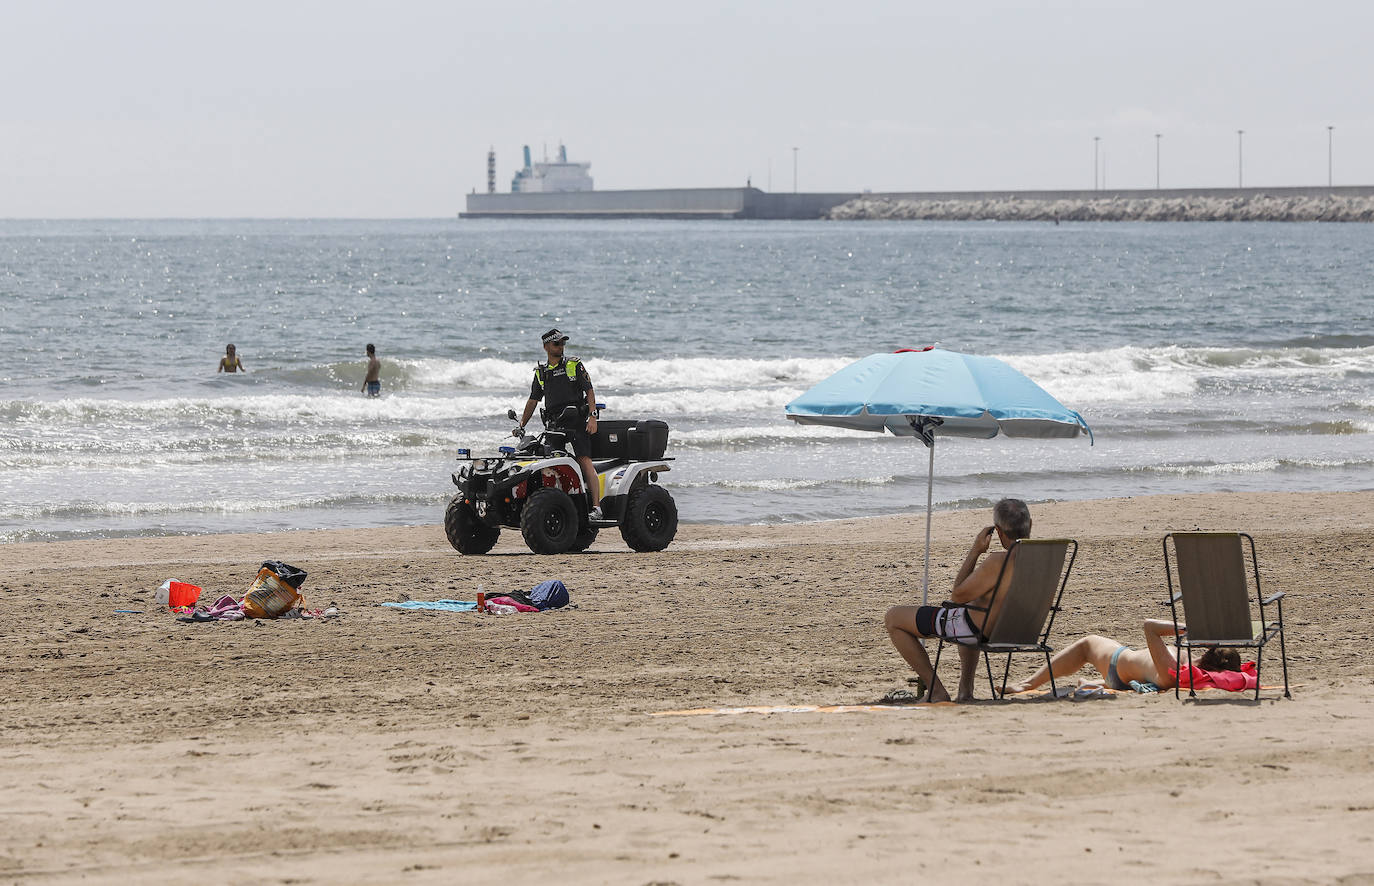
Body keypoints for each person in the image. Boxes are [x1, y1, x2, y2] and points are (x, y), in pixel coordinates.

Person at [883, 498, 1033, 703]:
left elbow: (958, 595)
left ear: (998, 531)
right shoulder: (1045, 559)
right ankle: (965, 691)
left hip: (981, 632)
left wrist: (975, 551)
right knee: (973, 607)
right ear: (1030, 524)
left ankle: (936, 689)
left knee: (894, 618)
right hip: (1023, 631)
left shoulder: (998, 562)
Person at [1004, 619, 1242, 694]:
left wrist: (1191, 629)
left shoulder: (1174, 668)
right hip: (1126, 680)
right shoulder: (1182, 675)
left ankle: (1028, 683)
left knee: (1087, 643)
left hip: (1116, 662)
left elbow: (1150, 627)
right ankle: (1090, 684)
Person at [515, 328, 602, 519]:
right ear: (546, 347)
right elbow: (533, 400)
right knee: (548, 462)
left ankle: (596, 507)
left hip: (577, 423)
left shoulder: (574, 365)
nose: (561, 346)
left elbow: (589, 391)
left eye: (563, 343)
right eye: (557, 343)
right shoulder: (541, 372)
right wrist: (522, 424)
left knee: (584, 460)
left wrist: (593, 416)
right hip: (554, 427)